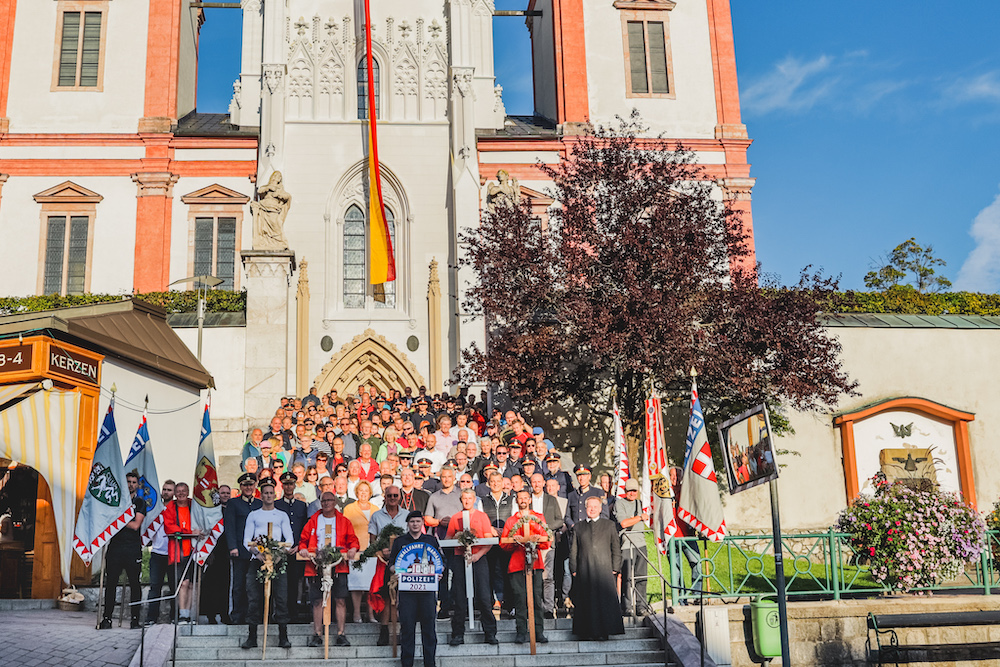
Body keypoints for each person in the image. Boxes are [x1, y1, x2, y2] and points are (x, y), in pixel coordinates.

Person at [298, 490, 360, 648]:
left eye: (329, 500)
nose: (326, 503)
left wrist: (353, 549)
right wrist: (303, 549)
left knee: (340, 600)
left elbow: (353, 540)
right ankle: (317, 634)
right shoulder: (313, 521)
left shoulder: (344, 521)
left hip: (338, 565)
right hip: (316, 565)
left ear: (335, 502)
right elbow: (303, 540)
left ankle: (341, 633)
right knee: (317, 600)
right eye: (323, 500)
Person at [241, 477, 294, 650]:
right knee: (254, 598)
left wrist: (278, 555)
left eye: (271, 493)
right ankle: (252, 637)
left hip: (278, 561)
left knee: (280, 597)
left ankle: (283, 636)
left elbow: (290, 540)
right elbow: (246, 540)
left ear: (275, 494)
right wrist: (258, 554)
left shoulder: (282, 515)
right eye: (265, 493)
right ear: (261, 495)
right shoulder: (253, 515)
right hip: (258, 561)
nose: (269, 496)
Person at [445, 489, 499, 646]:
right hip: (460, 559)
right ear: (461, 500)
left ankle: (490, 632)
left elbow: (489, 540)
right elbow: (448, 539)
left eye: (470, 498)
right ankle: (457, 634)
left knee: (483, 596)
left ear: (474, 499)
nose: (467, 501)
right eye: (464, 498)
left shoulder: (482, 517)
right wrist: (457, 537)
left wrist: (478, 555)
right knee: (459, 597)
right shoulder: (456, 518)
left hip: (478, 558)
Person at [387, 512, 441, 667]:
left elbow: (440, 562)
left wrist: (439, 573)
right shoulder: (399, 541)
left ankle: (430, 663)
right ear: (408, 523)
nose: (415, 524)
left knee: (429, 629)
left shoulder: (431, 540)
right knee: (407, 629)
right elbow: (391, 563)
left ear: (422, 523)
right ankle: (407, 663)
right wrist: (396, 570)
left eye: (418, 521)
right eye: (412, 522)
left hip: (427, 593)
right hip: (407, 593)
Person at [570, 496, 625, 641]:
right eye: (590, 507)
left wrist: (615, 567)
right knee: (586, 600)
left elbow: (616, 548)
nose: (592, 509)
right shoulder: (578, 527)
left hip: (604, 569)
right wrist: (574, 568)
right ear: (585, 508)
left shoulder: (609, 525)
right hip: (584, 569)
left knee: (604, 601)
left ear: (601, 509)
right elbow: (574, 550)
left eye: (595, 507)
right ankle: (586, 632)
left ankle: (604, 631)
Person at [501, 489, 549, 644]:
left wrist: (538, 540)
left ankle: (539, 631)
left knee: (536, 597)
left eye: (525, 498)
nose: (522, 500)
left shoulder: (538, 518)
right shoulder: (511, 521)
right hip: (517, 564)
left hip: (535, 564)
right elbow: (503, 543)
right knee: (520, 598)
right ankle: (521, 631)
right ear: (516, 500)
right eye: (519, 498)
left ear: (529, 500)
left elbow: (547, 540)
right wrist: (513, 540)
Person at [100, 472, 146, 629]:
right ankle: (107, 618)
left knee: (135, 584)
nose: (131, 484)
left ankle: (135, 619)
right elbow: (106, 518)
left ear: (137, 485)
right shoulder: (116, 500)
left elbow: (135, 525)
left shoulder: (140, 502)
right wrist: (120, 518)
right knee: (111, 583)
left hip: (132, 548)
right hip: (115, 548)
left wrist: (118, 519)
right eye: (128, 481)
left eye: (134, 482)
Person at [424, 466, 462, 618]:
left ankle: (459, 606)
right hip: (440, 541)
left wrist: (454, 523)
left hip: (459, 540)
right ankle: (444, 606)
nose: (446, 479)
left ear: (454, 477)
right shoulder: (434, 497)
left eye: (449, 476)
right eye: (443, 477)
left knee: (458, 574)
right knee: (443, 574)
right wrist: (440, 521)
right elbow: (427, 519)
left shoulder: (461, 494)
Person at [225, 472, 263, 625]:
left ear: (255, 486)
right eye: (245, 485)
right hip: (240, 550)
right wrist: (232, 546)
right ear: (240, 487)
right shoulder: (233, 503)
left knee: (255, 585)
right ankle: (237, 615)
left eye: (251, 484)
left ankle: (253, 615)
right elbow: (230, 526)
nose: (248, 487)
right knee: (239, 585)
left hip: (257, 552)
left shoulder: (259, 504)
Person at [163, 481, 202, 623]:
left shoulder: (194, 506)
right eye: (178, 491)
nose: (181, 494)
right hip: (178, 552)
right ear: (175, 493)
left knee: (192, 584)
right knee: (183, 584)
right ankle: (182, 614)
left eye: (183, 491)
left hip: (195, 551)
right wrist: (190, 532)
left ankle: (189, 615)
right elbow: (169, 527)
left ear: (188, 491)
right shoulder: (170, 508)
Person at [276, 471, 310, 622]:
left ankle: (294, 613)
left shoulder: (302, 506)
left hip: (296, 550)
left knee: (295, 582)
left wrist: (299, 545)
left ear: (295, 485)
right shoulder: (277, 505)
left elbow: (304, 527)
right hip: (281, 551)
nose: (288, 487)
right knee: (281, 582)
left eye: (291, 484)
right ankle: (281, 612)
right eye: (286, 484)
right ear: (282, 485)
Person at [529, 472, 564, 617]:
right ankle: (535, 607)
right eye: (534, 482)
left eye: (539, 482)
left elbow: (559, 520)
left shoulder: (551, 499)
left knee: (547, 577)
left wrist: (543, 528)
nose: (536, 484)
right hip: (530, 543)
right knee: (531, 577)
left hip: (547, 543)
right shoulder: (526, 500)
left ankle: (548, 608)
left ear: (544, 483)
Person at [614, 478, 650, 615]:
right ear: (625, 491)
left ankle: (641, 606)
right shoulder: (620, 503)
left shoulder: (641, 503)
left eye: (634, 490)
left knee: (642, 577)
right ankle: (627, 607)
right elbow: (623, 523)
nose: (632, 493)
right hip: (626, 545)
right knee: (627, 578)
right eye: (629, 491)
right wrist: (640, 517)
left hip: (641, 544)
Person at [343, 480, 378, 623]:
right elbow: (345, 529)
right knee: (357, 584)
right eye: (360, 490)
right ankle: (357, 614)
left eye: (366, 491)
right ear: (356, 492)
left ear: (370, 493)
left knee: (371, 584)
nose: (363, 493)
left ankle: (370, 614)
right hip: (355, 550)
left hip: (372, 551)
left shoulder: (376, 508)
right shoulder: (349, 508)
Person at [145, 480, 175, 625]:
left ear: (174, 493)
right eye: (164, 489)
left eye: (169, 490)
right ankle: (151, 618)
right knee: (155, 587)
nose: (166, 492)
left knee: (174, 586)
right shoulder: (155, 508)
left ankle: (174, 617)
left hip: (173, 553)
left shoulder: (176, 509)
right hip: (157, 553)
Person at [201, 484, 232, 625]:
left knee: (225, 586)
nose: (225, 495)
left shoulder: (232, 509)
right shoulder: (212, 511)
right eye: (222, 493)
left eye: (227, 493)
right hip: (212, 551)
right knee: (211, 586)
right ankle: (211, 615)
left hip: (227, 552)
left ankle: (224, 615)